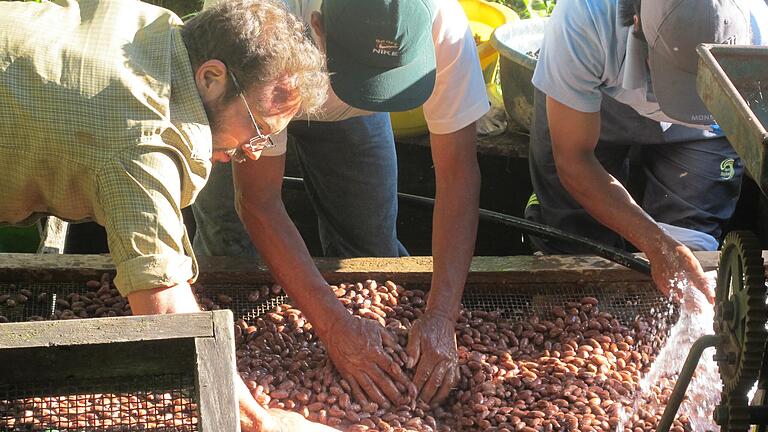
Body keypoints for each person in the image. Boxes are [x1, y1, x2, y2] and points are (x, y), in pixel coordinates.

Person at [0, 0, 335, 430]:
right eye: (256, 131)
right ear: (211, 78)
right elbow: (165, 313)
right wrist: (262, 422)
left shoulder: (157, 28)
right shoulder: (141, 140)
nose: (251, 153)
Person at [194, 0, 489, 407]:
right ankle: (225, 362)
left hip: (351, 117)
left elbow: (458, 175)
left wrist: (441, 316)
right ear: (317, 27)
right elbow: (258, 201)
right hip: (247, 93)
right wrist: (333, 327)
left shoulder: (445, 25)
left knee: (370, 247)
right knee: (229, 247)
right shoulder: (260, 20)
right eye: (364, 71)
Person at [524, 0, 768, 302]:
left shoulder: (760, 31)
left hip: (708, 130)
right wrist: (655, 244)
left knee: (688, 269)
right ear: (636, 22)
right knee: (578, 244)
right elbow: (574, 159)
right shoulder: (586, 15)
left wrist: (671, 247)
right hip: (599, 102)